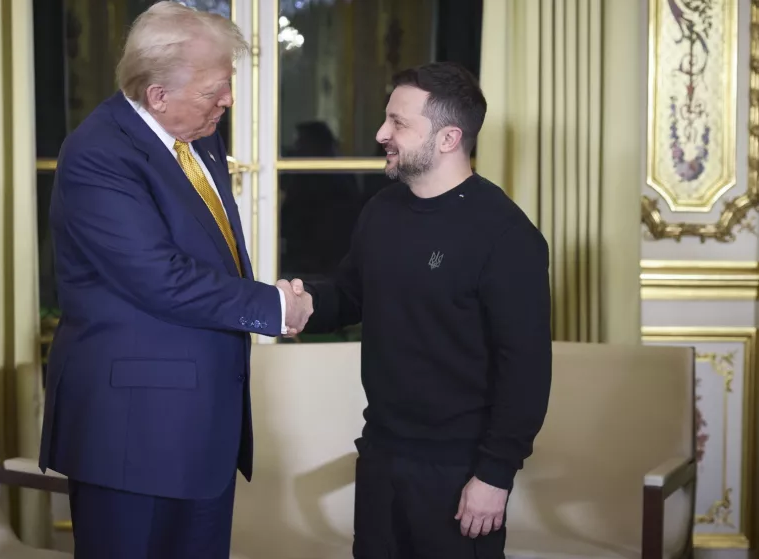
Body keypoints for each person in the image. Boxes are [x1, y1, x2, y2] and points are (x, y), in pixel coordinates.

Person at [37, 3, 312, 557]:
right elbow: (158, 276)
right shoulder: (98, 153)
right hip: (132, 432)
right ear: (158, 95)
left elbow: (209, 254)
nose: (228, 100)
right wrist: (273, 307)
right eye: (215, 90)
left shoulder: (198, 135)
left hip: (202, 429)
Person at [290, 62, 552, 558]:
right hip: (380, 453)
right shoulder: (381, 210)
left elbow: (526, 370)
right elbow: (350, 295)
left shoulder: (507, 236)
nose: (381, 134)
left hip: (460, 470)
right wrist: (303, 304)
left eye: (398, 123)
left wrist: (495, 475)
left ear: (449, 138)